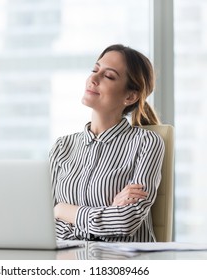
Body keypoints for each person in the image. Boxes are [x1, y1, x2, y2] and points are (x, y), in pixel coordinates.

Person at [50, 44, 165, 242]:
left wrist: (62, 210)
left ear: (130, 96)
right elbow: (44, 219)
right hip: (69, 261)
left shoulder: (146, 142)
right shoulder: (63, 146)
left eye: (109, 76)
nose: (93, 79)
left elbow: (125, 222)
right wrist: (108, 211)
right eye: (95, 70)